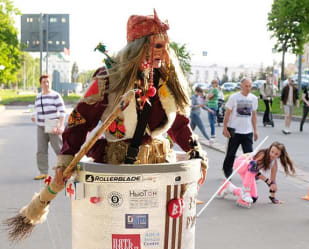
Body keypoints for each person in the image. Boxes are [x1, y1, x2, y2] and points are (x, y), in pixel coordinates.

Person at [55, 11, 208, 186]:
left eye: (166, 46)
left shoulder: (165, 80)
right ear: (139, 47)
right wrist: (66, 158)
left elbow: (179, 125)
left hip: (157, 166)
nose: (164, 53)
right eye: (158, 46)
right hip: (118, 168)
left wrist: (196, 154)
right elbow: (80, 120)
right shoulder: (109, 78)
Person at [218, 142, 295, 208]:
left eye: (276, 154)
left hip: (249, 171)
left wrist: (273, 197)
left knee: (253, 198)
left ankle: (229, 187)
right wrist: (267, 180)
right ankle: (246, 192)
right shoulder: (263, 154)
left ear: (279, 156)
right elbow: (255, 171)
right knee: (253, 165)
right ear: (269, 149)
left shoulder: (274, 164)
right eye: (272, 151)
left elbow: (272, 181)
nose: (273, 155)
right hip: (241, 163)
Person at [222, 77, 258, 178]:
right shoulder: (234, 97)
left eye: (250, 86)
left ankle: (252, 173)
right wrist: (225, 127)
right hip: (235, 131)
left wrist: (255, 131)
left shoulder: (254, 98)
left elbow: (254, 115)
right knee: (231, 153)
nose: (248, 88)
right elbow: (227, 113)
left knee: (249, 154)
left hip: (248, 132)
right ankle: (227, 170)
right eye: (246, 86)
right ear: (241, 86)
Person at [32, 74, 66, 180]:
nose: (46, 84)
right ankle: (43, 172)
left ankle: (67, 170)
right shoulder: (39, 96)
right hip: (41, 126)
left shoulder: (55, 95)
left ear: (50, 83)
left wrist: (60, 126)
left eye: (48, 82)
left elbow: (62, 112)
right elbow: (36, 109)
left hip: (52, 124)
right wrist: (33, 115)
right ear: (40, 84)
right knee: (41, 150)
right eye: (44, 82)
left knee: (59, 148)